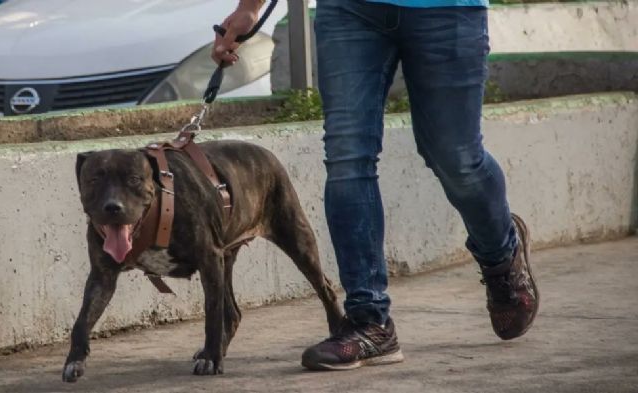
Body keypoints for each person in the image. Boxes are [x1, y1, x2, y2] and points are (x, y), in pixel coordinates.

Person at [213, 0, 539, 371]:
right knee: (347, 156)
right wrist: (250, 7)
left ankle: (501, 254)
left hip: (446, 11)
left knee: (456, 158)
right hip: (350, 10)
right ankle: (370, 322)